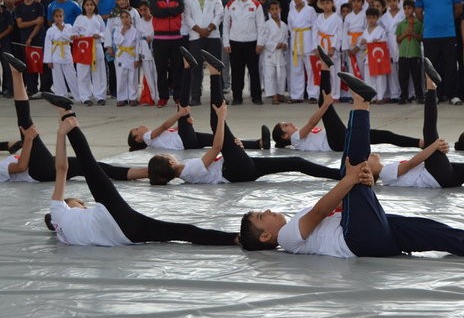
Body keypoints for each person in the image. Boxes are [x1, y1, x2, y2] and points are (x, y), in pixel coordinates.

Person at [240, 74, 464, 272]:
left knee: (439, 232)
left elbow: (332, 210)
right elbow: (323, 208)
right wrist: (352, 181)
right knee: (348, 166)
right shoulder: (289, 236)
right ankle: (361, 104)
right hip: (358, 239)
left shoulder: (293, 226)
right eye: (260, 216)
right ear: (267, 236)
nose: (266, 211)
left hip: (374, 232)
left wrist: (361, 186)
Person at [46, 105, 239, 247]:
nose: (82, 204)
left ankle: (235, 238)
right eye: (78, 203)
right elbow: (62, 168)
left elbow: (62, 168)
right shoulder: (59, 211)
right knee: (90, 167)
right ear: (70, 204)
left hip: (126, 234)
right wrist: (61, 134)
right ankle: (67, 114)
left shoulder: (64, 232)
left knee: (183, 231)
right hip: (112, 217)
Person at [147, 56, 340, 186]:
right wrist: (223, 120)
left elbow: (216, 156)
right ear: (170, 165)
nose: (170, 156)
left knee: (296, 162)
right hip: (235, 170)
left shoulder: (183, 170)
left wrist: (235, 148)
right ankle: (215, 75)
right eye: (167, 158)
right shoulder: (188, 171)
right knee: (216, 121)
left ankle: (337, 175)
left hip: (238, 166)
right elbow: (215, 147)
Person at [1, 53, 140, 183]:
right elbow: (21, 167)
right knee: (25, 123)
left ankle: (146, 172)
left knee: (90, 166)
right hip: (38, 172)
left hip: (44, 165)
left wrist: (11, 144)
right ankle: (17, 74)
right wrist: (29, 140)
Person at [272, 51, 423, 151]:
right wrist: (326, 105)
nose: (290, 123)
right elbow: (312, 122)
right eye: (286, 125)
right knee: (322, 103)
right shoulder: (295, 139)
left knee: (384, 135)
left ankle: (419, 143)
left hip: (342, 137)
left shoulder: (296, 138)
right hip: (336, 142)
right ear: (285, 136)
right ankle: (327, 69)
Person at [128, 49, 268, 152]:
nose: (139, 126)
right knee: (182, 105)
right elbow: (164, 126)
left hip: (187, 139)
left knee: (219, 139)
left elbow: (169, 131)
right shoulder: (147, 137)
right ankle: (188, 67)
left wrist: (183, 125)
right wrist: (180, 114)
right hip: (184, 139)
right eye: (136, 130)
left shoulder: (153, 141)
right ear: (138, 139)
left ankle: (258, 144)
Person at [415, 0, 463, 104]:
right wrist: (431, 22)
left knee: (451, 65)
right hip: (430, 36)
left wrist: (446, 20)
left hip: (448, 34)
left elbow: (458, 9)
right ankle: (435, 95)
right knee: (432, 67)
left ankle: (453, 95)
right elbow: (419, 13)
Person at [184, 0, 224, 106]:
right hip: (195, 37)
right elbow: (187, 17)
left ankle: (218, 98)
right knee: (196, 68)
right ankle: (195, 97)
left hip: (212, 36)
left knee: (216, 68)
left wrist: (209, 29)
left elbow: (219, 14)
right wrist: (199, 30)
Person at [222, 0, 265, 105]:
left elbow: (261, 26)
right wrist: (226, 43)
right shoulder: (230, 5)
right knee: (236, 72)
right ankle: (237, 97)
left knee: (254, 72)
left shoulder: (256, 5)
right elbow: (225, 26)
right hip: (235, 43)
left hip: (252, 43)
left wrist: (260, 43)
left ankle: (256, 97)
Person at [149, 0, 185, 107]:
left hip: (176, 37)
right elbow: (155, 12)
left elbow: (180, 10)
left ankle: (177, 96)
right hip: (160, 38)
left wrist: (166, 12)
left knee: (177, 69)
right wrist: (171, 12)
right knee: (161, 69)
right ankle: (163, 97)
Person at [73, 0, 107, 106]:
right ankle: (85, 96)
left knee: (99, 71)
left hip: (96, 45)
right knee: (83, 72)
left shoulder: (98, 18)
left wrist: (100, 35)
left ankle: (100, 96)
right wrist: (76, 36)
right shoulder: (79, 18)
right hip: (83, 47)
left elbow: (104, 31)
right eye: (87, 5)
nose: (89, 7)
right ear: (83, 6)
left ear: (94, 6)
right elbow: (74, 31)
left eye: (91, 5)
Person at [14, 0, 45, 96]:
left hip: (38, 39)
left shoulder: (39, 6)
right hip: (24, 41)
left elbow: (40, 23)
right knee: (28, 65)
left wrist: (31, 37)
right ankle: (32, 89)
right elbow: (20, 25)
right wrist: (33, 21)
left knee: (41, 64)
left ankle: (44, 89)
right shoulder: (19, 8)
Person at [287, 0, 316, 104]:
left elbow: (315, 27)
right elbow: (290, 27)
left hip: (307, 39)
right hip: (295, 40)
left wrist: (315, 45)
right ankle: (296, 95)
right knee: (296, 69)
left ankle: (313, 94)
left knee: (310, 69)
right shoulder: (291, 11)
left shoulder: (310, 10)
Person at [43, 8, 80, 100]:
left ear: (63, 17)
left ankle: (79, 96)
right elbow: (47, 46)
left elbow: (71, 39)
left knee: (72, 75)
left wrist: (62, 30)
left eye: (60, 16)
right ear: (53, 18)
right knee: (57, 78)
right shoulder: (50, 30)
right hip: (55, 55)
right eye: (56, 16)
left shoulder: (68, 27)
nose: (59, 18)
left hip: (66, 53)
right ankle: (61, 96)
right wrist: (48, 60)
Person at [312, 0, 342, 101]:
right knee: (322, 72)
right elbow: (314, 33)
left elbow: (339, 34)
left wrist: (333, 47)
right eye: (323, 3)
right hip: (321, 45)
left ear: (332, 3)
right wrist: (315, 47)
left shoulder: (337, 18)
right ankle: (323, 94)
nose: (325, 6)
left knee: (334, 72)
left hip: (331, 45)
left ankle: (335, 95)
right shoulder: (318, 18)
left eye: (328, 3)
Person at [259, 1, 288, 104]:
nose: (275, 11)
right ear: (269, 11)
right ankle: (274, 96)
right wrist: (275, 44)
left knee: (281, 75)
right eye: (272, 9)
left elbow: (286, 38)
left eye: (277, 9)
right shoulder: (267, 25)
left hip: (280, 54)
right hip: (270, 54)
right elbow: (264, 39)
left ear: (280, 9)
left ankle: (280, 94)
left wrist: (284, 44)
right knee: (270, 75)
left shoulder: (284, 25)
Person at [396, 0, 423, 104]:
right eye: (405, 8)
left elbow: (421, 38)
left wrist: (413, 34)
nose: (407, 11)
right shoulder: (402, 24)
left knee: (417, 77)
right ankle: (404, 96)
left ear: (414, 10)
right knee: (403, 77)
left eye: (409, 8)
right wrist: (405, 34)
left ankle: (419, 96)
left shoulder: (418, 23)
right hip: (403, 53)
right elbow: (398, 39)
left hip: (415, 53)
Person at [358, 7, 389, 101]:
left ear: (377, 18)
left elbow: (385, 42)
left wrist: (378, 41)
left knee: (380, 77)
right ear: (366, 18)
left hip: (378, 57)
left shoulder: (381, 30)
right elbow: (362, 46)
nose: (371, 20)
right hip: (368, 57)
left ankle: (380, 97)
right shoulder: (365, 31)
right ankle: (372, 97)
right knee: (369, 77)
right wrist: (362, 43)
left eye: (373, 18)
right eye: (369, 18)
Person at [379, 0, 404, 102]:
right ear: (387, 2)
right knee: (392, 69)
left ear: (399, 1)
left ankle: (408, 92)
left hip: (401, 41)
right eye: (390, 1)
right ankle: (394, 94)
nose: (392, 3)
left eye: (395, 0)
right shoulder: (384, 17)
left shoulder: (403, 14)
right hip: (388, 42)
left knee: (404, 68)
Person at [341, 0, 367, 101]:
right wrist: (346, 48)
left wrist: (358, 46)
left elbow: (366, 31)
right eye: (354, 1)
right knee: (352, 72)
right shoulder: (348, 17)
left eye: (358, 1)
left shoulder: (365, 15)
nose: (356, 4)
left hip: (360, 46)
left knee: (361, 70)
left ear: (362, 3)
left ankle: (363, 94)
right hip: (350, 45)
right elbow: (344, 32)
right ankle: (354, 95)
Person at [112, 10, 140, 106]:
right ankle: (122, 98)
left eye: (127, 17)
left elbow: (137, 46)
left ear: (130, 18)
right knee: (121, 77)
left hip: (131, 55)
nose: (125, 19)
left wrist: (137, 58)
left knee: (133, 78)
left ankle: (133, 97)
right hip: (121, 55)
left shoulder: (135, 31)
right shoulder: (117, 29)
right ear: (120, 19)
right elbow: (116, 42)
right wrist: (122, 32)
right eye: (122, 17)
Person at [135, 0, 158, 105]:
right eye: (141, 10)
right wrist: (137, 57)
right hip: (144, 50)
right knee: (148, 76)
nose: (143, 12)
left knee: (157, 75)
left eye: (145, 9)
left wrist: (152, 37)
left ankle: (159, 96)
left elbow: (157, 32)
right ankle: (153, 97)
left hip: (155, 49)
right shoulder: (139, 22)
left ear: (150, 9)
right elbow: (137, 40)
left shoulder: (155, 19)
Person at [0, 0, 14, 97]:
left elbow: (10, 28)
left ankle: (9, 89)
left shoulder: (7, 13)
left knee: (7, 68)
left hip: (5, 44)